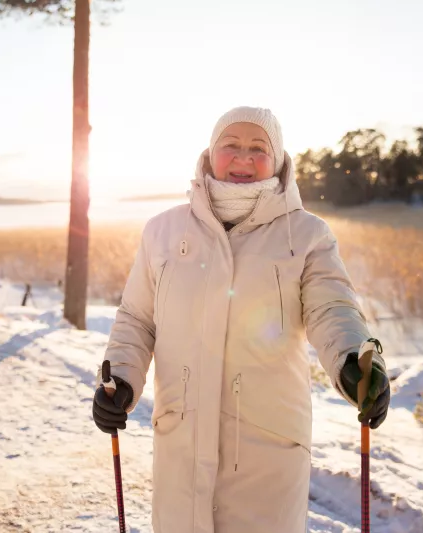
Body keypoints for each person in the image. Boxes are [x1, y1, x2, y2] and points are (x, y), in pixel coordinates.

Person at [92, 107, 390, 532]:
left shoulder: (306, 235)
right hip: (183, 441)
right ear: (211, 154)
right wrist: (120, 377)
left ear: (280, 159)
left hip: (267, 446)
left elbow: (332, 308)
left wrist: (352, 359)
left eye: (258, 149)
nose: (244, 159)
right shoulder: (162, 231)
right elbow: (138, 318)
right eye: (231, 146)